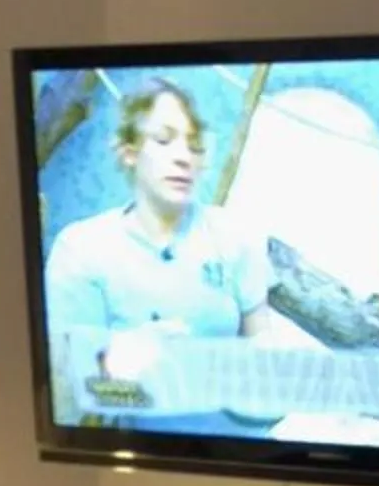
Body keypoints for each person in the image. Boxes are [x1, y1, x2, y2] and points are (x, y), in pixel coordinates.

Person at [43, 82, 281, 426]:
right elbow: (66, 402)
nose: (183, 157)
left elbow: (264, 371)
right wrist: (126, 363)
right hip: (136, 453)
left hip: (243, 451)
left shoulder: (235, 236)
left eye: (193, 144)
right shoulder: (81, 249)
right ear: (129, 152)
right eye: (164, 140)